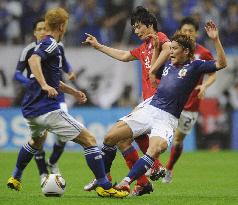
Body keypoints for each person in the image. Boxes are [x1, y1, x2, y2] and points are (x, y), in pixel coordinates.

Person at [7, 7, 128, 198]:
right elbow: (34, 61)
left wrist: (73, 91)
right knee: (89, 140)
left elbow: (53, 78)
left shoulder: (47, 45)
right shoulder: (51, 44)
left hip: (31, 112)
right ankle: (104, 185)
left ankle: (15, 176)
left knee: (36, 141)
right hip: (47, 110)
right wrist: (45, 85)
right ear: (62, 26)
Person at [95, 21, 227, 193]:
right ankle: (104, 180)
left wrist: (215, 39)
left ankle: (126, 182)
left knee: (156, 149)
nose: (170, 51)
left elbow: (221, 64)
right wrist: (157, 48)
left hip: (167, 118)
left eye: (174, 48)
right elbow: (153, 73)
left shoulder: (195, 66)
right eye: (170, 48)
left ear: (186, 51)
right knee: (110, 137)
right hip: (150, 109)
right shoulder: (168, 64)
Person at [83, 6, 170, 196]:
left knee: (113, 136)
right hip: (148, 102)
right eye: (134, 28)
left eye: (139, 26)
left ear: (150, 25)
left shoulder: (159, 38)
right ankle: (145, 181)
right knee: (123, 140)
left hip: (159, 103)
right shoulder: (143, 47)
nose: (136, 31)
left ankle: (104, 177)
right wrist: (99, 46)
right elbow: (124, 55)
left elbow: (169, 48)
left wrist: (154, 69)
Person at [14, 17, 76, 182]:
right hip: (37, 98)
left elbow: (65, 63)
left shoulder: (57, 45)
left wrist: (70, 72)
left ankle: (53, 161)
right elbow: (17, 73)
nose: (42, 31)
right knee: (40, 137)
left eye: (45, 28)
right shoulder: (28, 50)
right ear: (34, 33)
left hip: (57, 96)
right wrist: (32, 84)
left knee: (62, 135)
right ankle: (42, 174)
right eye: (39, 29)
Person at [160, 17, 216, 183]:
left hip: (190, 106)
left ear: (197, 33)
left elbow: (213, 73)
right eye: (185, 31)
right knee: (159, 136)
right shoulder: (173, 49)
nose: (188, 34)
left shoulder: (203, 53)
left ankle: (169, 168)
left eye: (191, 31)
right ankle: (154, 166)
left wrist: (205, 86)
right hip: (171, 102)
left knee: (177, 140)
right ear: (179, 32)